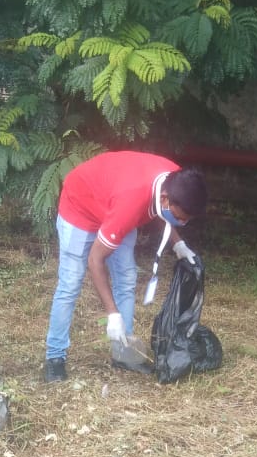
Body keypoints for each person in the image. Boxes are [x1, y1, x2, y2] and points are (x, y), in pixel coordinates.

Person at [43, 151, 208, 382]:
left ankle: (123, 353)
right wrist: (112, 314)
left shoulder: (175, 178)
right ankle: (55, 357)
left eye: (186, 220)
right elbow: (95, 260)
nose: (182, 223)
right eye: (180, 218)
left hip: (114, 202)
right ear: (164, 198)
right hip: (80, 208)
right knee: (70, 284)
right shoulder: (130, 204)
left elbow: (165, 214)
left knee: (126, 277)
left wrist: (178, 244)